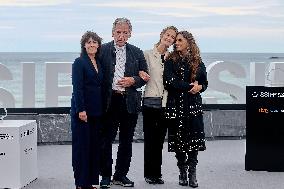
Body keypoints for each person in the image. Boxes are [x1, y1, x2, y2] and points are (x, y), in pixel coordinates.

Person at [99, 17, 149, 188]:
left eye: (124, 33)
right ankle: (105, 175)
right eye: (118, 32)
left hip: (129, 102)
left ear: (130, 34)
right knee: (106, 140)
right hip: (109, 101)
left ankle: (120, 175)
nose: (121, 36)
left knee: (126, 141)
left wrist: (133, 80)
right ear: (113, 33)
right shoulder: (102, 50)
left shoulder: (137, 52)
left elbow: (144, 77)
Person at [163, 31, 208, 188]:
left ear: (188, 42)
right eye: (176, 40)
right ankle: (182, 171)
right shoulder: (170, 60)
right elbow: (169, 82)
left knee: (193, 142)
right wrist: (190, 86)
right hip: (176, 105)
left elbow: (204, 83)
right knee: (178, 141)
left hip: (193, 105)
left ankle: (192, 172)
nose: (176, 43)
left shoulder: (197, 60)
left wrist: (200, 87)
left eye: (180, 40)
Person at [142, 26, 178, 184]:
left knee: (159, 141)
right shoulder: (147, 54)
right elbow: (141, 72)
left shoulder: (172, 58)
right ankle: (149, 174)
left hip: (166, 103)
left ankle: (157, 173)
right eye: (167, 35)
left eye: (172, 37)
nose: (169, 38)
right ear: (162, 34)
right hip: (150, 101)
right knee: (150, 140)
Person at [70, 31, 103, 189]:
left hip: (97, 112)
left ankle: (90, 182)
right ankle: (81, 183)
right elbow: (78, 88)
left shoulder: (98, 62)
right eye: (89, 42)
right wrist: (81, 110)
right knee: (82, 148)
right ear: (84, 45)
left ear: (98, 45)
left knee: (94, 147)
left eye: (94, 42)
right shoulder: (79, 62)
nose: (92, 45)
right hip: (82, 112)